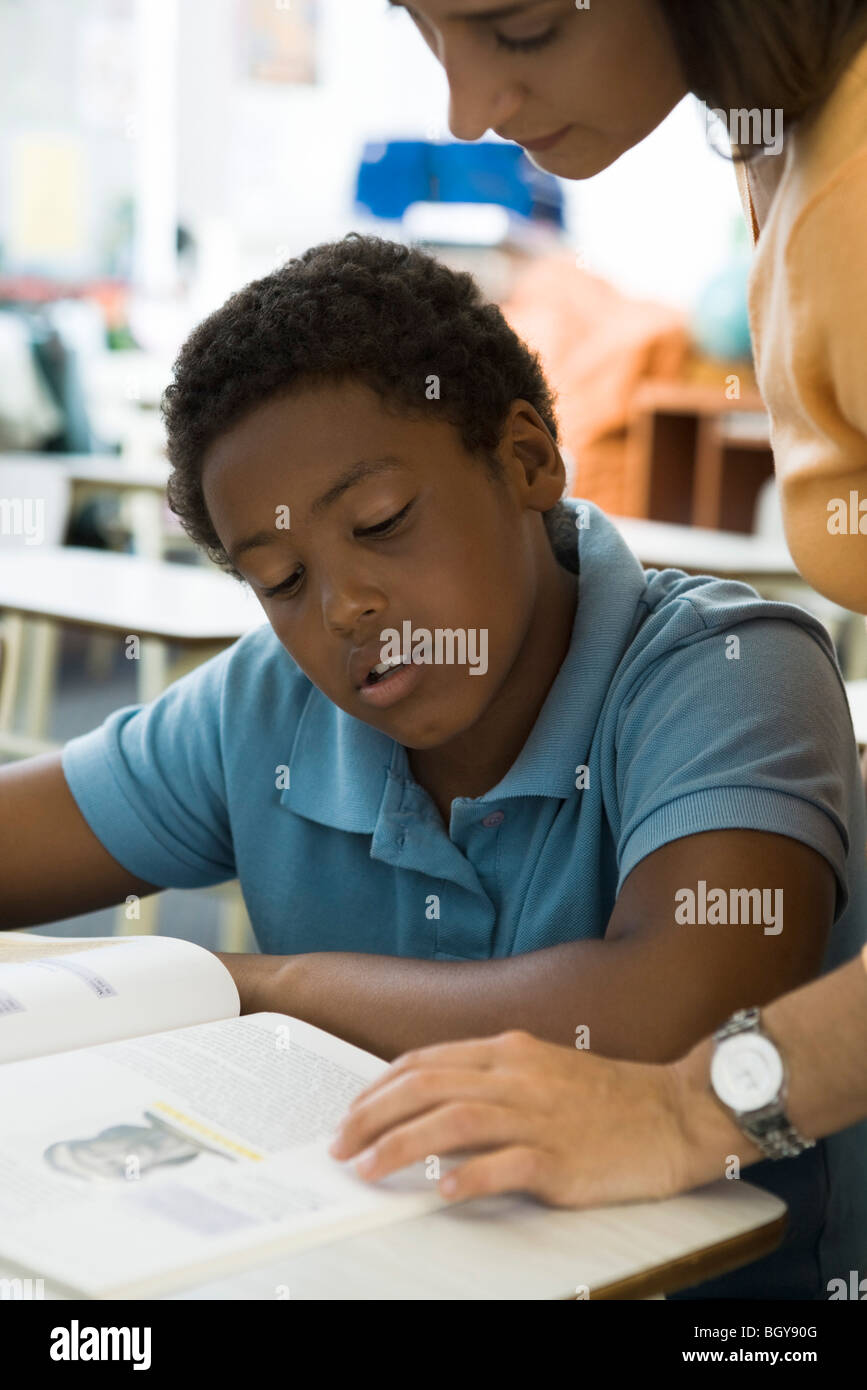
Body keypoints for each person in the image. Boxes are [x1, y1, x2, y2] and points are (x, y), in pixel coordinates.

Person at [1, 235, 864, 1299]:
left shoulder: (727, 669)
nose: (344, 606)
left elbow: (677, 1014)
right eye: (279, 578)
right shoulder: (267, 701)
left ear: (528, 461)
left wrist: (260, 989)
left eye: (382, 523)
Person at [331, 0, 867, 1299]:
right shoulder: (789, 148)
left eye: (513, 26)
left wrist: (690, 1106)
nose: (465, 112)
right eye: (424, 32)